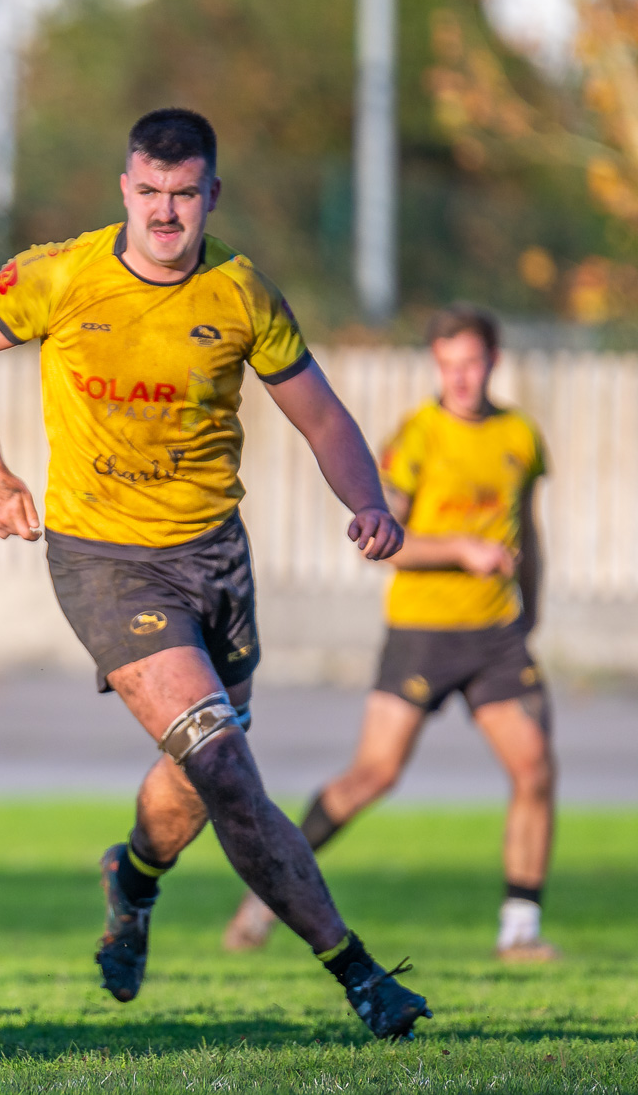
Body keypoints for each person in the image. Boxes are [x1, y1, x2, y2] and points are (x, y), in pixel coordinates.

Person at [0, 107, 431, 1039]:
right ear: (125, 188)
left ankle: (134, 874)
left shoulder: (241, 293)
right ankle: (358, 973)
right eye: (149, 193)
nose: (165, 213)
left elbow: (321, 415)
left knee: (198, 776)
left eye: (184, 195)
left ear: (211, 195)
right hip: (106, 563)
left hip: (216, 560)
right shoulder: (61, 275)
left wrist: (366, 501)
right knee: (227, 766)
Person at [224, 304, 556, 962]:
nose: (461, 378)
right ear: (437, 367)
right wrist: (462, 548)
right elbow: (387, 544)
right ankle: (265, 896)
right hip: (421, 633)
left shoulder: (521, 434)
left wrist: (532, 609)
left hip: (496, 638)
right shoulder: (418, 438)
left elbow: (530, 530)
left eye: (472, 363)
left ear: (493, 361)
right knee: (372, 776)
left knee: (535, 771)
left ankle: (520, 932)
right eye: (448, 366)